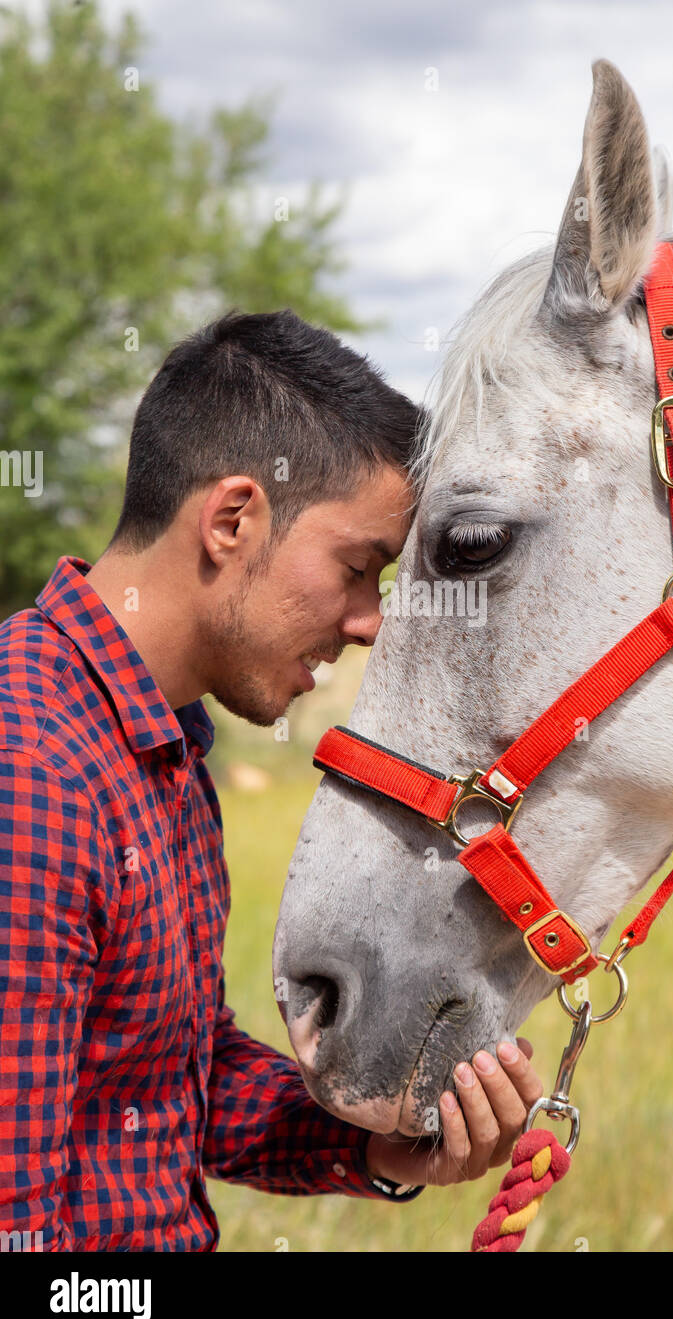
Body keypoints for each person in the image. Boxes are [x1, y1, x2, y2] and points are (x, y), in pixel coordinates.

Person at [0, 307, 542, 1251]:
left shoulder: (158, 744)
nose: (371, 621)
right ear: (233, 520)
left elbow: (175, 1080)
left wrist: (380, 1147)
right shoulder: (29, 766)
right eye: (359, 567)